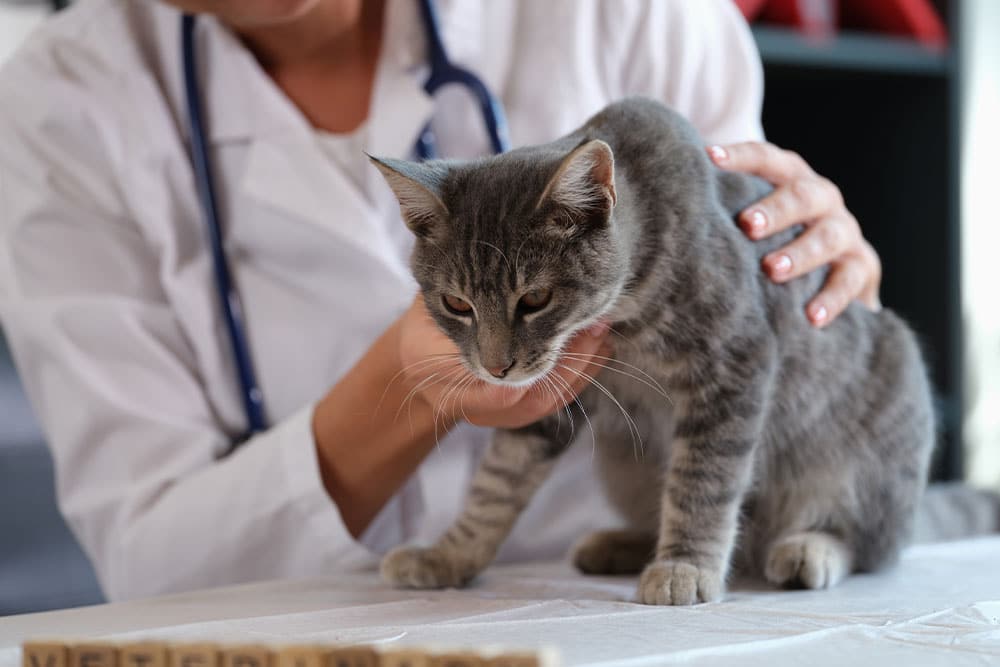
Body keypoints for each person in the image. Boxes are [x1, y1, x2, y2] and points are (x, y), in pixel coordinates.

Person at [0, 0, 881, 601]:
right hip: (298, 624)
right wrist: (411, 377)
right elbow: (152, 568)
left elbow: (747, 340)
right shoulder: (61, 101)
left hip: (621, 604)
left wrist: (821, 271)